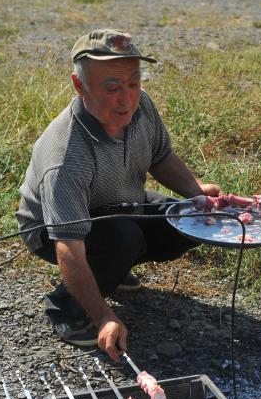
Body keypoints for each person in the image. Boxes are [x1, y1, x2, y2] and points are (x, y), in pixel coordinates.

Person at [16, 28, 220, 361]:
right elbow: (68, 245)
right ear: (79, 85)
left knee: (190, 219)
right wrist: (103, 316)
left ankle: (112, 267)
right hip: (53, 230)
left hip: (117, 203)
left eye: (133, 83)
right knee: (123, 237)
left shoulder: (140, 107)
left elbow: (160, 156)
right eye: (111, 87)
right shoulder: (66, 155)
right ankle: (66, 309)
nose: (126, 98)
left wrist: (196, 192)